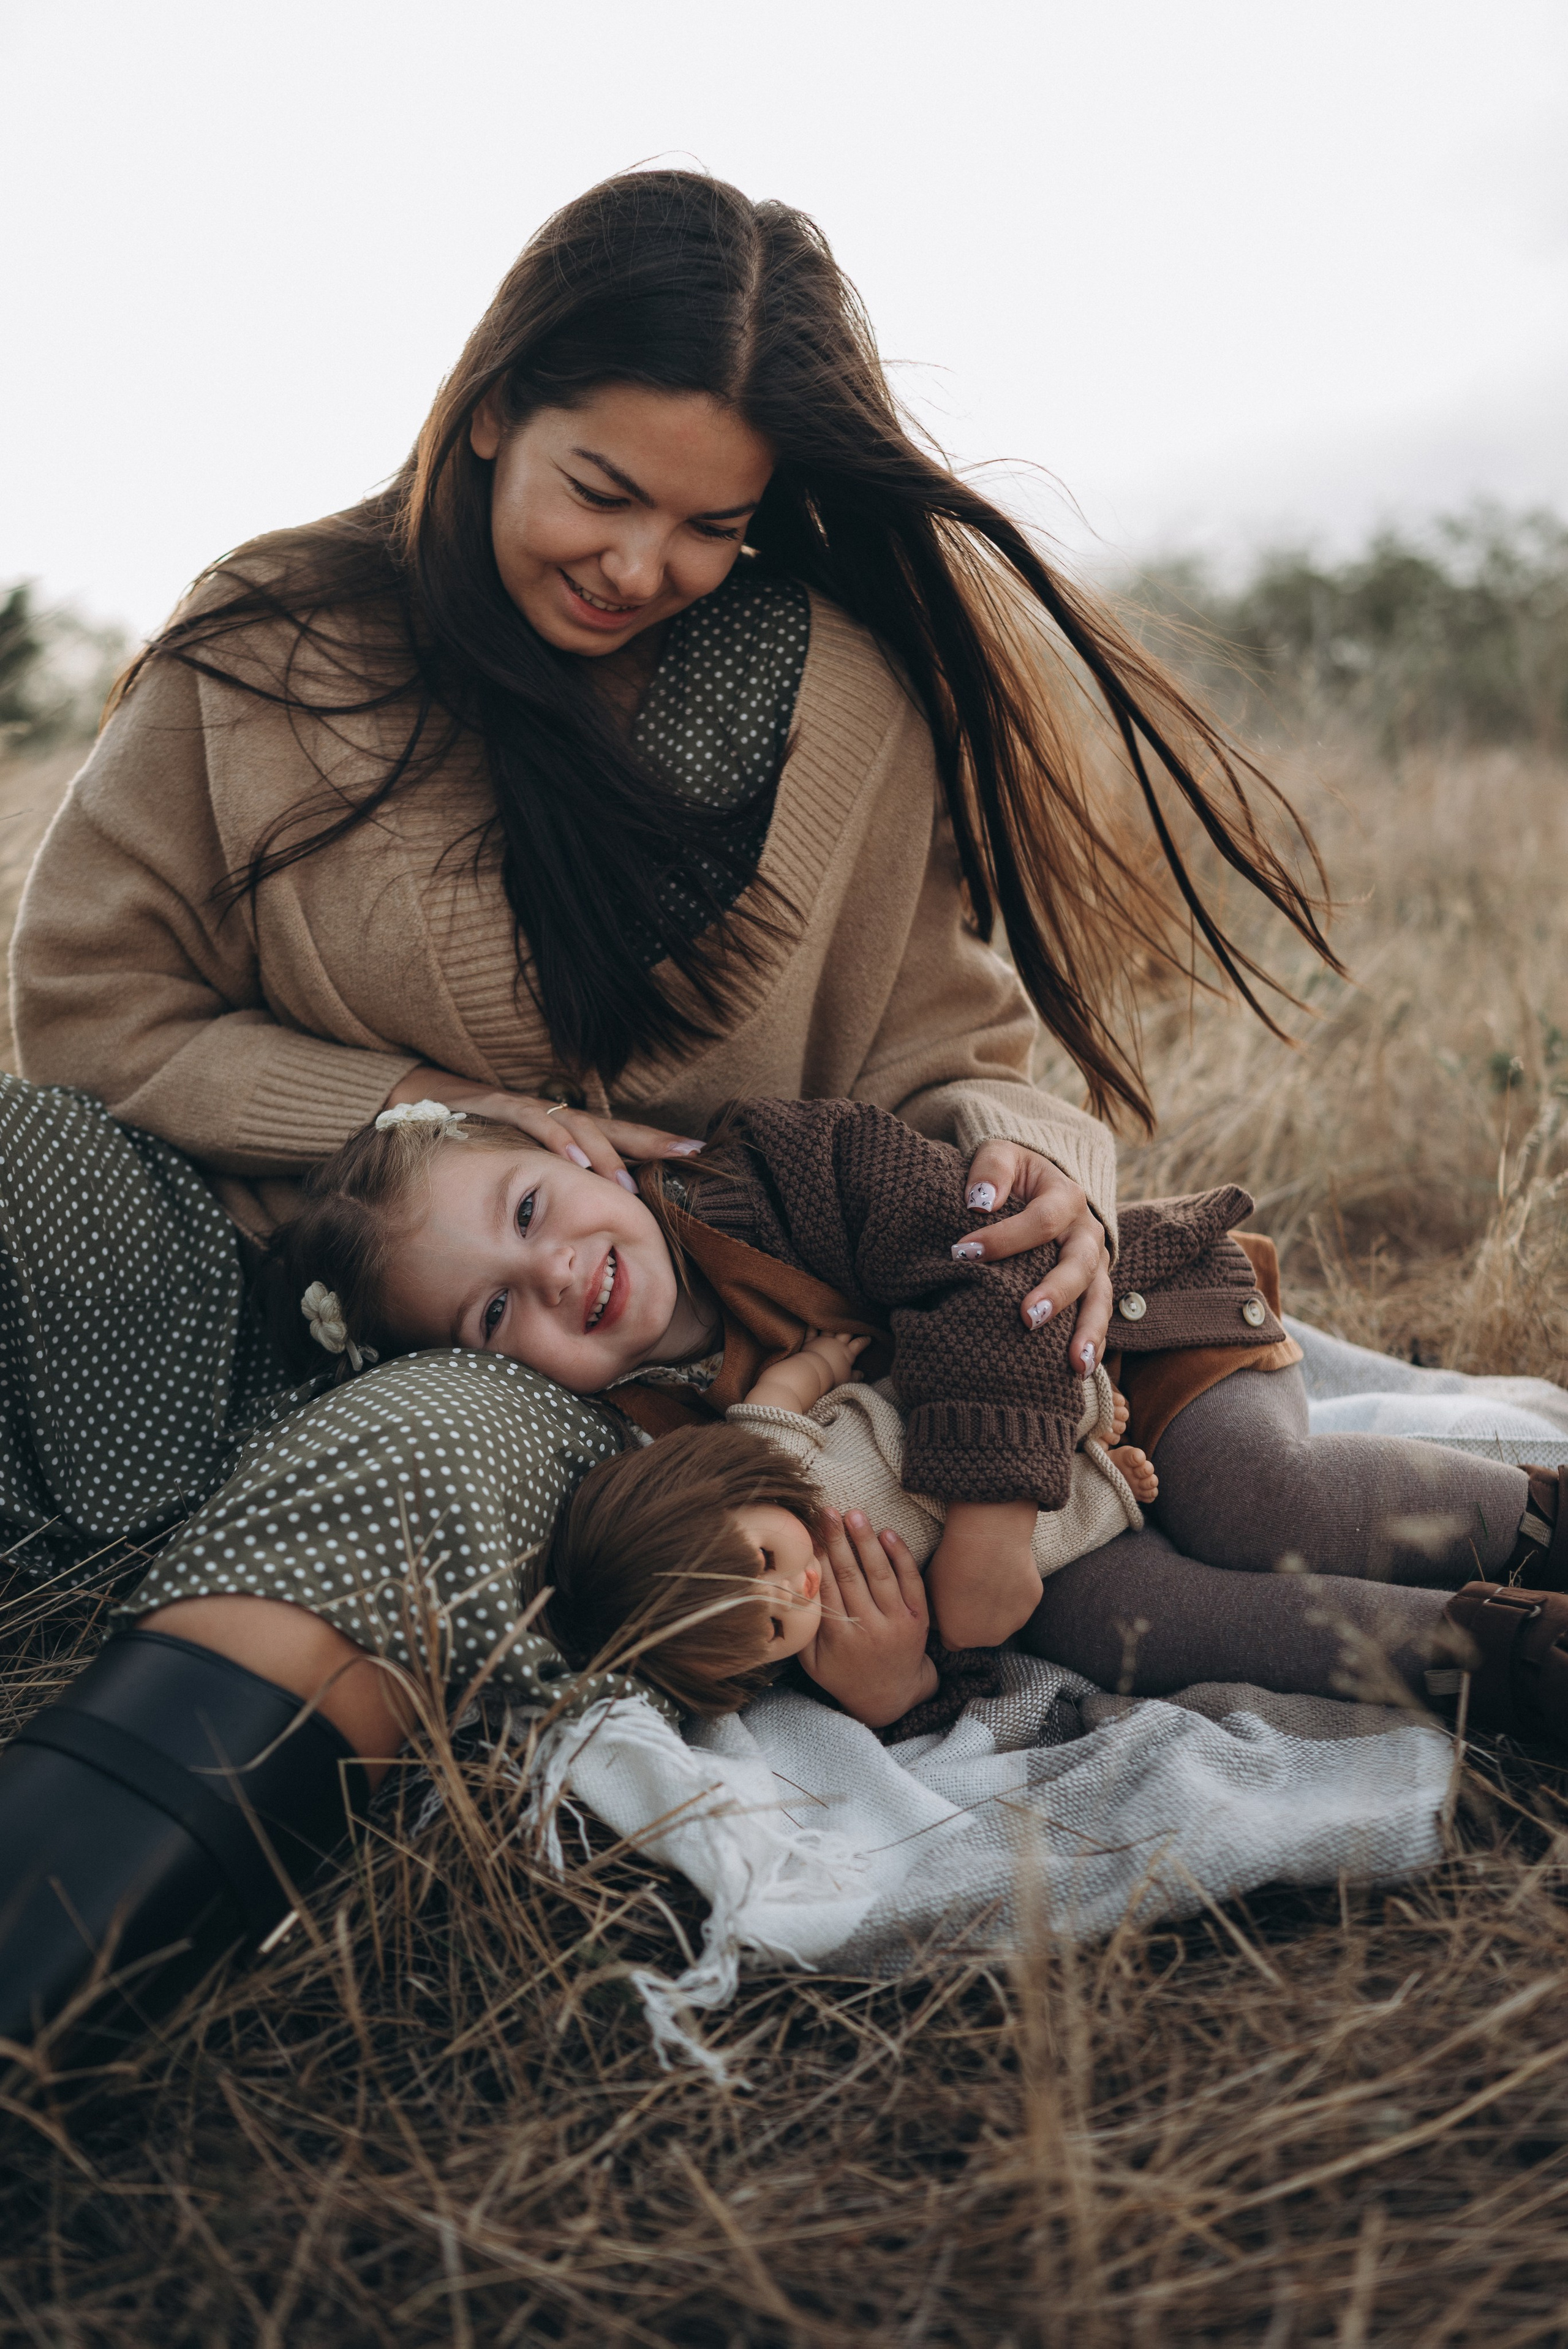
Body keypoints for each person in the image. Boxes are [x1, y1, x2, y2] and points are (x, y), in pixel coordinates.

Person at [0, 164, 1558, 2044]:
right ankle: (132, 1525)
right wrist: (416, 1099)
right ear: (491, 404)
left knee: (426, 1443)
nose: (639, 561)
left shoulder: (838, 695)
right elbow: (90, 1011)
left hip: (604, 1361)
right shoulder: (269, 646)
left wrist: (1039, 1171)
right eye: (600, 489)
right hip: (280, 1258)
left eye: (708, 522)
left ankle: (40, 2004)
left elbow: (944, 1049)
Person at [254, 1095, 1568, 1740]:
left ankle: (1531, 1521)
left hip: (1126, 1348)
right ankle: (1507, 1666)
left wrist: (991, 1514)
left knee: (1250, 1499)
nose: (548, 1273)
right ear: (493, 1376)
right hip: (1057, 1541)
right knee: (1117, 1622)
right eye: (492, 1316)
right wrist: (885, 1687)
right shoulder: (642, 1443)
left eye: (530, 1210)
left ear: (581, 1150)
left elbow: (980, 1256)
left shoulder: (770, 1164)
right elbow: (764, 1601)